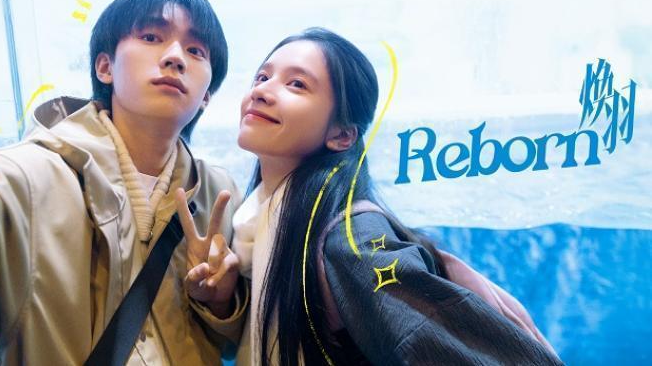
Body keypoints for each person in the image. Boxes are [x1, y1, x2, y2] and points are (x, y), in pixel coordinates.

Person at [0, 0, 246, 365]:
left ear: (206, 97)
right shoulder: (34, 178)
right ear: (105, 67)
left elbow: (239, 341)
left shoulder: (219, 193)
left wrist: (221, 301)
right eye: (151, 37)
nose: (175, 57)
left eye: (195, 50)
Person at [231, 27, 562, 365]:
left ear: (342, 135)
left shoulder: (350, 241)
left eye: (297, 84)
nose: (262, 92)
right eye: (262, 77)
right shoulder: (253, 224)